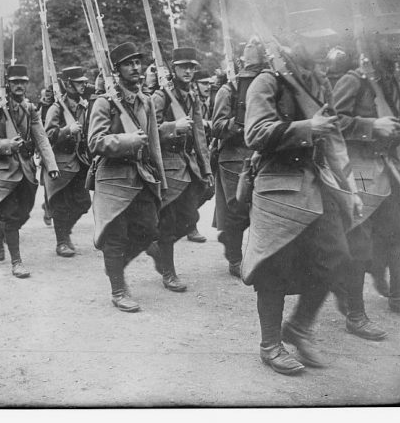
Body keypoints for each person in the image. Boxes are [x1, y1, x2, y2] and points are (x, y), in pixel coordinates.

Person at [242, 44, 359, 375]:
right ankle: (270, 345)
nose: (323, 52)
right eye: (314, 42)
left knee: (337, 257)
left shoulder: (318, 84)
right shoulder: (267, 82)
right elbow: (254, 133)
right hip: (277, 185)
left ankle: (299, 327)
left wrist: (350, 186)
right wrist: (308, 127)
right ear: (291, 44)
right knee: (273, 266)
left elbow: (334, 138)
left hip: (317, 186)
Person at [331, 49, 400, 322]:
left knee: (399, 235)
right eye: (390, 44)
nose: (398, 50)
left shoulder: (392, 82)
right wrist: (371, 125)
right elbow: (332, 123)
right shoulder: (353, 81)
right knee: (359, 244)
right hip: (359, 171)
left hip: (388, 169)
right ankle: (355, 313)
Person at [87, 42, 166, 312]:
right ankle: (118, 290)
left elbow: (153, 142)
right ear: (117, 70)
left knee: (148, 230)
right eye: (128, 64)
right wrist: (126, 140)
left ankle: (115, 268)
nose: (135, 68)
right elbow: (95, 142)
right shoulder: (103, 102)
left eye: (137, 62)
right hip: (113, 179)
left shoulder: (145, 100)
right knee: (116, 236)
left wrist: (161, 180)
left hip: (141, 175)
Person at [0, 64, 59, 278]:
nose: (20, 86)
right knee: (10, 214)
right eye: (15, 82)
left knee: (24, 211)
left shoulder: (29, 108)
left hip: (25, 168)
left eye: (23, 82)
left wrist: (51, 165)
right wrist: (7, 144)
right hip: (2, 169)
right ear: (7, 84)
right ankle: (16, 262)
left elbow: (41, 137)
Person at [146, 46, 214, 292]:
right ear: (173, 69)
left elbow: (199, 135)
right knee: (168, 220)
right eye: (183, 66)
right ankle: (169, 272)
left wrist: (206, 170)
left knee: (190, 218)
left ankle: (156, 249)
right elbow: (149, 130)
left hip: (189, 165)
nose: (188, 71)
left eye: (191, 67)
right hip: (168, 166)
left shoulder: (192, 96)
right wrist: (174, 126)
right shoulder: (161, 96)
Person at [210, 37, 267, 278]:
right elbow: (217, 126)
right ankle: (234, 256)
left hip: (262, 153)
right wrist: (240, 123)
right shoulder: (229, 89)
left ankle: (259, 257)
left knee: (262, 209)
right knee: (237, 210)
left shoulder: (269, 84)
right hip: (235, 155)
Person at [43, 67, 93, 258]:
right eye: (79, 82)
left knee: (83, 202)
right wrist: (67, 131)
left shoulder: (83, 105)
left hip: (80, 162)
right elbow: (47, 136)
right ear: (68, 84)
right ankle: (62, 241)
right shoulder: (56, 108)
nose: (83, 85)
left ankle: (65, 231)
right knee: (61, 205)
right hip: (61, 163)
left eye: (83, 82)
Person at [36, 87, 56, 226]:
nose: (47, 97)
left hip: (57, 147)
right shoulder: (39, 109)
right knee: (48, 184)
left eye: (50, 95)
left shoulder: (58, 107)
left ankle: (49, 205)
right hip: (45, 149)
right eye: (45, 95)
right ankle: (48, 210)